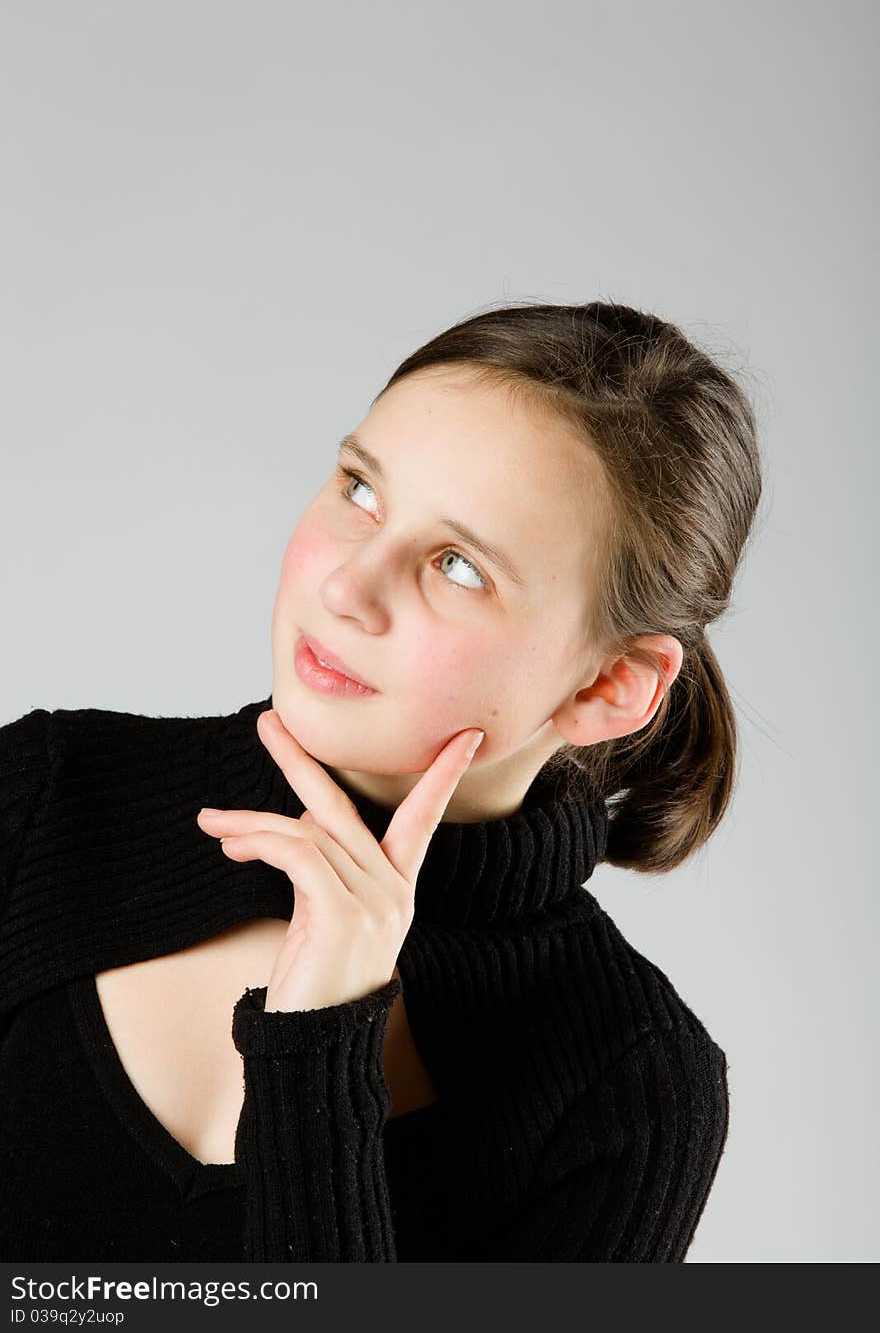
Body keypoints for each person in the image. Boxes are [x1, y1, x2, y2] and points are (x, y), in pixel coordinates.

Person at [0, 300, 762, 1262]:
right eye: (360, 489)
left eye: (457, 565)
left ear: (610, 684)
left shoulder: (629, 1087)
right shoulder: (44, 799)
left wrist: (323, 1040)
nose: (346, 588)